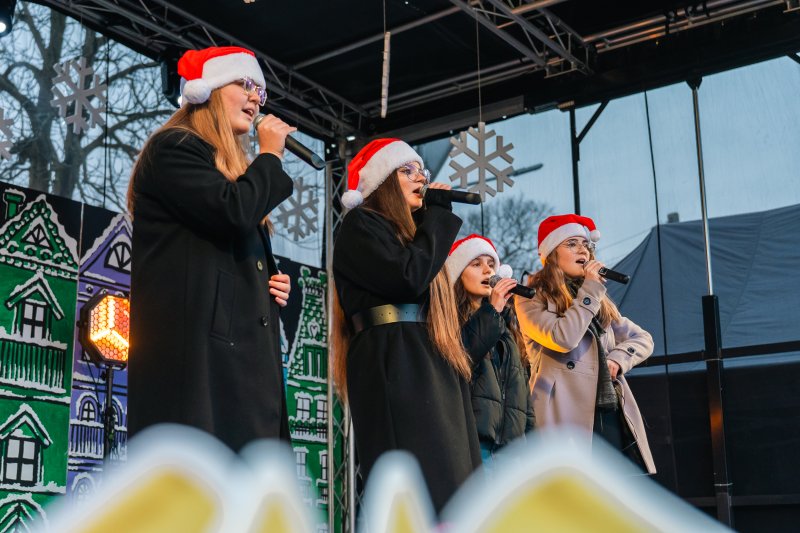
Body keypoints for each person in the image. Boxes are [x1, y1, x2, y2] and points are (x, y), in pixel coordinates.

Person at [126, 46, 295, 452]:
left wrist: (266, 283)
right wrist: (269, 156)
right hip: (198, 365)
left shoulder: (229, 172)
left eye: (261, 91)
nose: (256, 98)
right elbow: (232, 212)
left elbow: (228, 238)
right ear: (210, 90)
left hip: (239, 366)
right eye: (247, 84)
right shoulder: (173, 148)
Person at [331, 138, 481, 513]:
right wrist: (437, 217)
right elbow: (406, 277)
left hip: (430, 357)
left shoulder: (413, 236)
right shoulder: (360, 224)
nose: (421, 178)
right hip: (396, 360)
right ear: (383, 181)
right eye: (407, 170)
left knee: (456, 485)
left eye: (422, 170)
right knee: (422, 485)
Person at [515, 214, 656, 473]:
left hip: (607, 407)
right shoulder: (531, 297)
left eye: (586, 244)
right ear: (551, 254)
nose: (583, 250)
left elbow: (643, 338)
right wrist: (590, 291)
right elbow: (563, 338)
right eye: (571, 243)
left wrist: (618, 359)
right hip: (563, 413)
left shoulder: (596, 299)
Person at [445, 234, 535, 470]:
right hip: (475, 447)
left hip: (512, 452)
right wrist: (493, 310)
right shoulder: (449, 322)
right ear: (458, 273)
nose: (487, 270)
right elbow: (462, 358)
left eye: (491, 264)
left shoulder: (505, 327)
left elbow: (522, 391)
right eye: (476, 264)